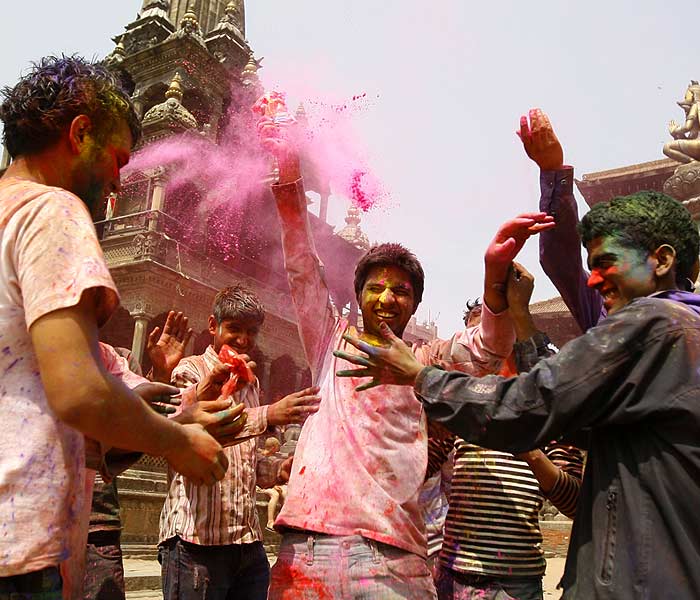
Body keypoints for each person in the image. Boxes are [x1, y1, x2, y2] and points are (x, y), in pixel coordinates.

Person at [337, 193, 700, 599]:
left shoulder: (654, 322)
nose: (593, 281)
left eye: (603, 264)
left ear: (663, 262)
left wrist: (422, 376)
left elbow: (534, 403)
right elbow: (571, 410)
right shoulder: (682, 334)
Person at [257, 116, 553, 598]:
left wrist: (493, 275)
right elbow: (301, 269)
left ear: (414, 304)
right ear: (357, 298)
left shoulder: (427, 360)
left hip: (389, 559)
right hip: (307, 547)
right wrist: (289, 179)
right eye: (376, 288)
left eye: (401, 291)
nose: (387, 298)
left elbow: (486, 348)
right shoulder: (330, 342)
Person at [0, 55, 228, 599]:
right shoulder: (52, 210)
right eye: (119, 158)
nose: (119, 183)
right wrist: (177, 438)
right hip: (18, 548)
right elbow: (78, 392)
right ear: (80, 134)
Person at [429, 265, 584, 600]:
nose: (478, 355)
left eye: (488, 339)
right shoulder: (461, 402)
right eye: (470, 345)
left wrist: (528, 449)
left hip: (516, 583)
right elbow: (420, 467)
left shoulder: (546, 407)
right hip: (452, 577)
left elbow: (575, 503)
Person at [158, 285, 321, 600]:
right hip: (196, 542)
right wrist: (271, 414)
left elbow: (246, 460)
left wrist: (278, 470)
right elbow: (194, 427)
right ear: (212, 326)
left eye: (251, 332)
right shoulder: (189, 371)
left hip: (247, 543)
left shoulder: (251, 384)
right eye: (234, 329)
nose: (243, 340)